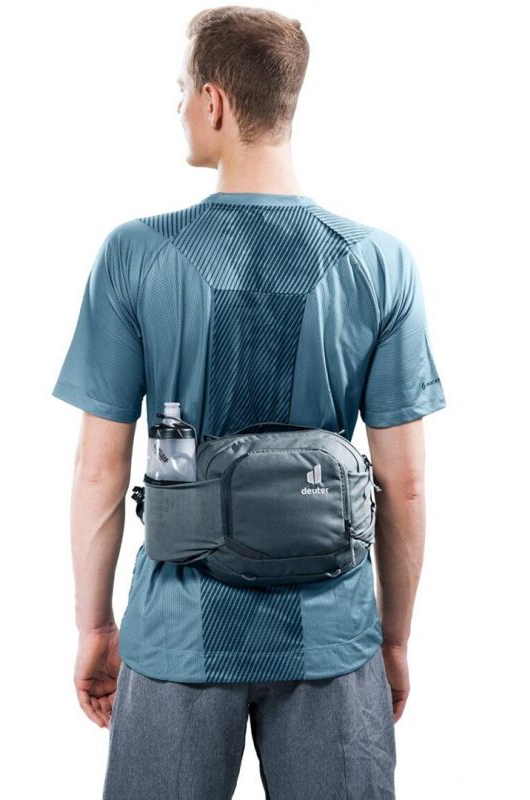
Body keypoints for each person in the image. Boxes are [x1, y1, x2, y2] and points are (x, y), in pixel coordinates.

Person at [51, 6, 446, 799]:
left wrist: (96, 627)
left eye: (182, 89)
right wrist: (393, 639)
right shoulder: (381, 263)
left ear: (215, 102)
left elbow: (100, 471)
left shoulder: (136, 253)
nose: (178, 106)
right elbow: (402, 485)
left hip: (177, 636)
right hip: (334, 639)